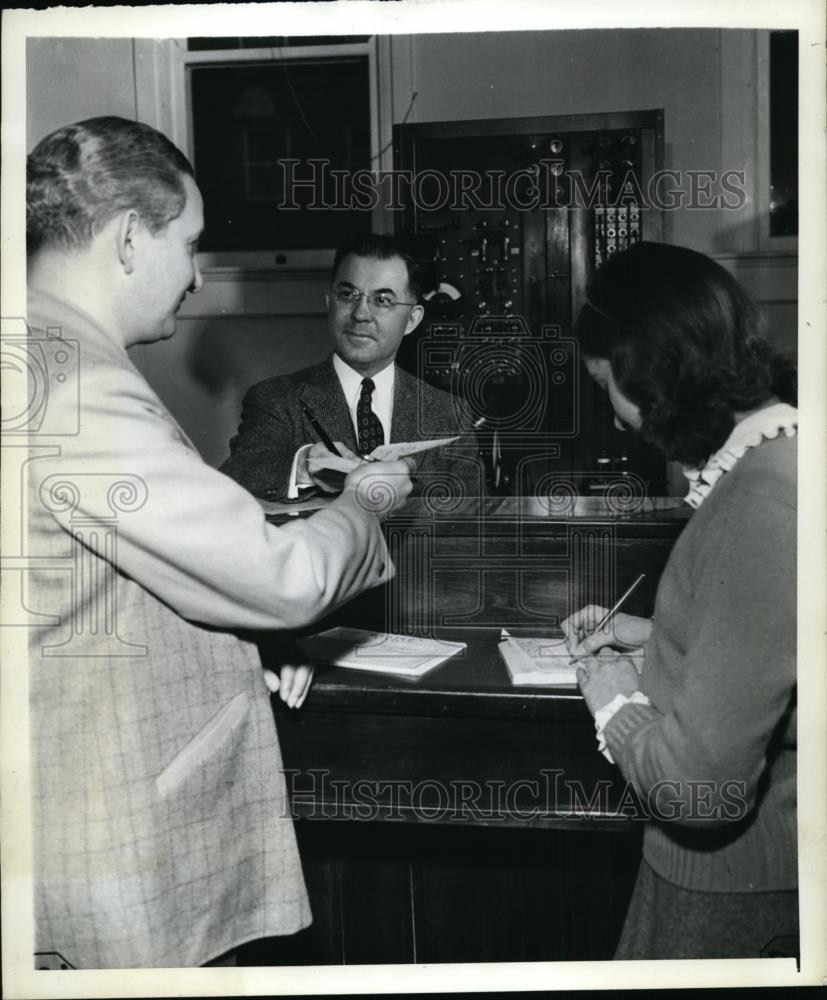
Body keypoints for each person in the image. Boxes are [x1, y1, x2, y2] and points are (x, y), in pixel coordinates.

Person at [24, 116, 414, 969]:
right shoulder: (79, 388)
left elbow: (90, 585)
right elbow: (285, 578)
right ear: (130, 238)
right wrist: (366, 500)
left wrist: (230, 651)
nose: (196, 277)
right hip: (109, 845)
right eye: (190, 244)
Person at [561, 241, 798, 960]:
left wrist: (611, 696)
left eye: (606, 382)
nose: (613, 414)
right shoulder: (787, 455)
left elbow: (701, 792)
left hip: (734, 892)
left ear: (650, 376)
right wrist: (664, 634)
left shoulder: (759, 499)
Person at [220, 233, 483, 502]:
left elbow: (474, 525)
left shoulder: (449, 415)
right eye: (348, 295)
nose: (360, 314)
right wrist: (302, 466)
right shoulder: (276, 400)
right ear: (329, 303)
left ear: (412, 320)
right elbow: (235, 481)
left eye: (382, 300)